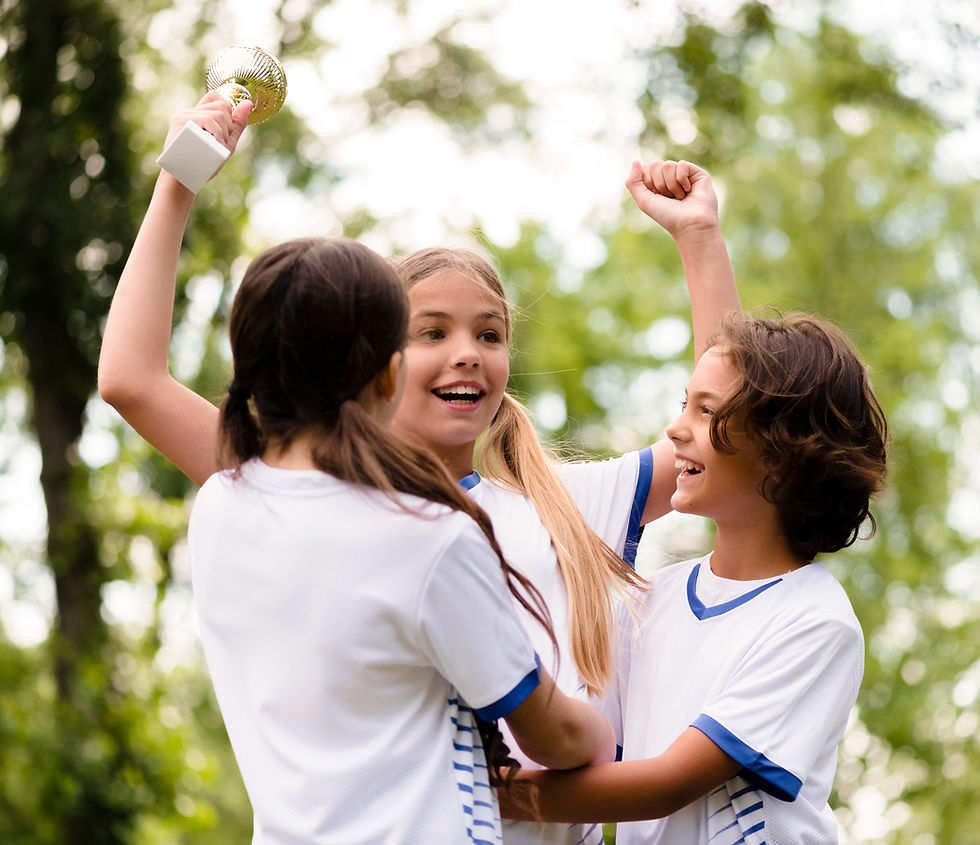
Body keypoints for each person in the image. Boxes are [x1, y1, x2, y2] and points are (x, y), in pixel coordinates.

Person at [98, 94, 740, 845]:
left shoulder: (567, 502)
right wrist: (177, 180)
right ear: (376, 362)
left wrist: (699, 239)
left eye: (490, 333)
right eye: (431, 331)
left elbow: (725, 423)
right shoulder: (307, 499)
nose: (466, 351)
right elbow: (131, 380)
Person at [500, 310, 890, 844]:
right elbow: (583, 745)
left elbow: (663, 785)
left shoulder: (815, 622)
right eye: (685, 403)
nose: (676, 427)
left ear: (785, 455)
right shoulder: (651, 600)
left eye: (707, 411)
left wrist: (484, 789)